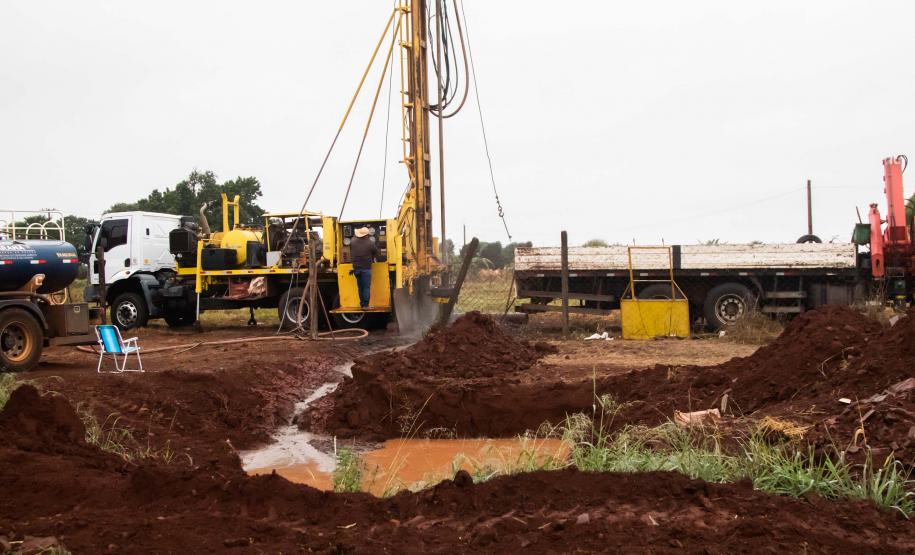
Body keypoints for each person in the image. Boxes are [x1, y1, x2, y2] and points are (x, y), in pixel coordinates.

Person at [350, 226, 379, 309]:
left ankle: (362, 304)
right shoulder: (370, 243)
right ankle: (365, 306)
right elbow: (376, 252)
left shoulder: (352, 241)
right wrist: (373, 257)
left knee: (360, 287)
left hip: (356, 268)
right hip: (366, 268)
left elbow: (351, 252)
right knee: (366, 287)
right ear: (367, 235)